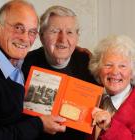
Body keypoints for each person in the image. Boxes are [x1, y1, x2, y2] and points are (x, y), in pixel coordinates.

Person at [22, 5, 97, 140]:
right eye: (55, 31)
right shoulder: (24, 64)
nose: (62, 39)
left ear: (77, 37)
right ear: (42, 36)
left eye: (69, 32)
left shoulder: (89, 62)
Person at [0, 1, 66, 140]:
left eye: (32, 32)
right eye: (18, 28)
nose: (25, 38)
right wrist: (38, 125)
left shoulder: (22, 63)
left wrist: (79, 53)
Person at [88, 35, 135, 140]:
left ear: (132, 72)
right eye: (108, 65)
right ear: (98, 69)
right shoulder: (92, 97)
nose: (114, 72)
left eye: (122, 66)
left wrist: (109, 127)